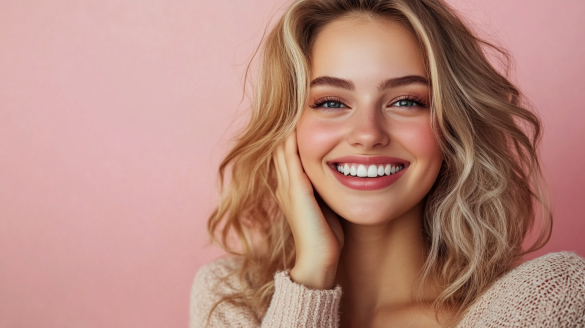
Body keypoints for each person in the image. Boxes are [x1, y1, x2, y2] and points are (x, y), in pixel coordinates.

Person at [189, 0, 585, 327]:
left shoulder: (545, 295)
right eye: (331, 102)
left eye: (406, 101)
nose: (367, 133)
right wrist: (310, 277)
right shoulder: (231, 298)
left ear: (454, 125)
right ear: (286, 129)